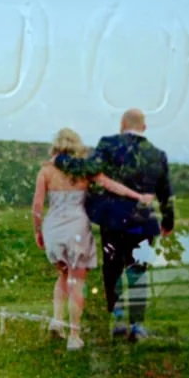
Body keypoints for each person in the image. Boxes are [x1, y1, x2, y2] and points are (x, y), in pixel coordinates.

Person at [53, 109, 175, 341]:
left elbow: (89, 169)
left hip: (113, 221)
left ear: (122, 124)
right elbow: (165, 193)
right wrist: (168, 222)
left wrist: (61, 159)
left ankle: (118, 319)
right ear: (144, 128)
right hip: (143, 223)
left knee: (113, 270)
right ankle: (137, 326)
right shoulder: (157, 154)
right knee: (138, 272)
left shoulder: (108, 144)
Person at [32, 128, 155, 350]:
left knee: (62, 275)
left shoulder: (46, 171)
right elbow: (112, 185)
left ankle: (57, 321)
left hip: (54, 228)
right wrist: (139, 196)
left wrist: (37, 231)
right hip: (76, 228)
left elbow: (37, 206)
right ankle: (74, 336)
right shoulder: (85, 171)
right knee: (76, 281)